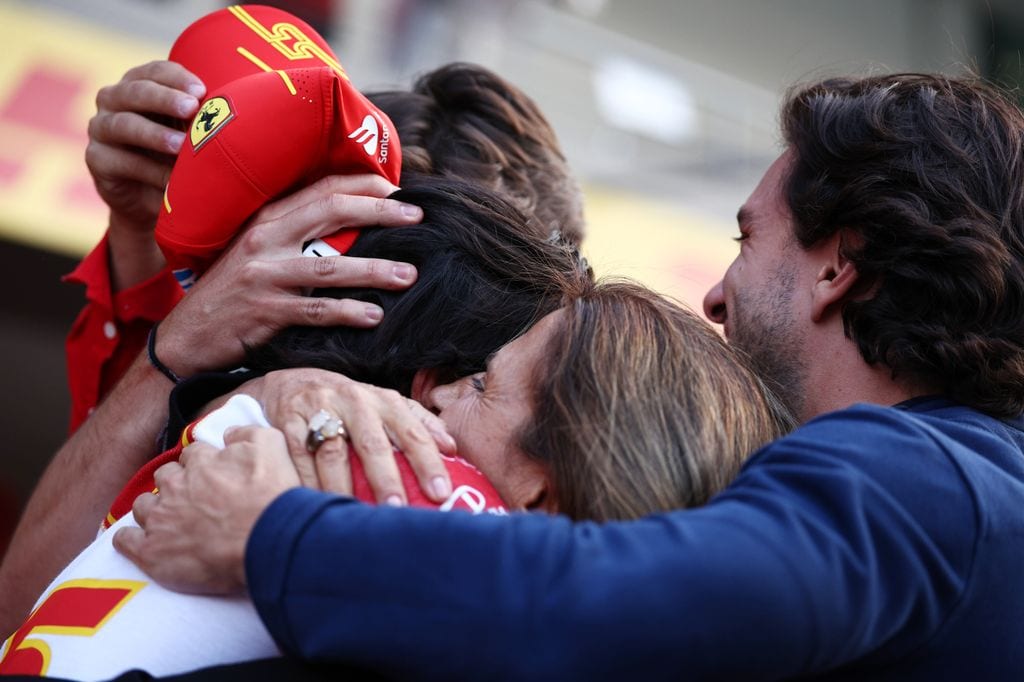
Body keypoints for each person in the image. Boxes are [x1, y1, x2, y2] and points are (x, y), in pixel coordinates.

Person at [110, 73, 1024, 680]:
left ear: (840, 264)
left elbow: (641, 607)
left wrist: (274, 537)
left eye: (748, 239)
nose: (714, 292)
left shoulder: (921, 477)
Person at [0, 10, 584, 636]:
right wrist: (149, 242)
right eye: (348, 261)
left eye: (475, 365)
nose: (426, 387)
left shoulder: (575, 487)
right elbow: (20, 613)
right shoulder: (234, 321)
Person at [0, 277, 787, 679]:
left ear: (548, 489)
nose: (431, 393)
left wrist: (263, 399)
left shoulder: (402, 503)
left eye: (476, 383)